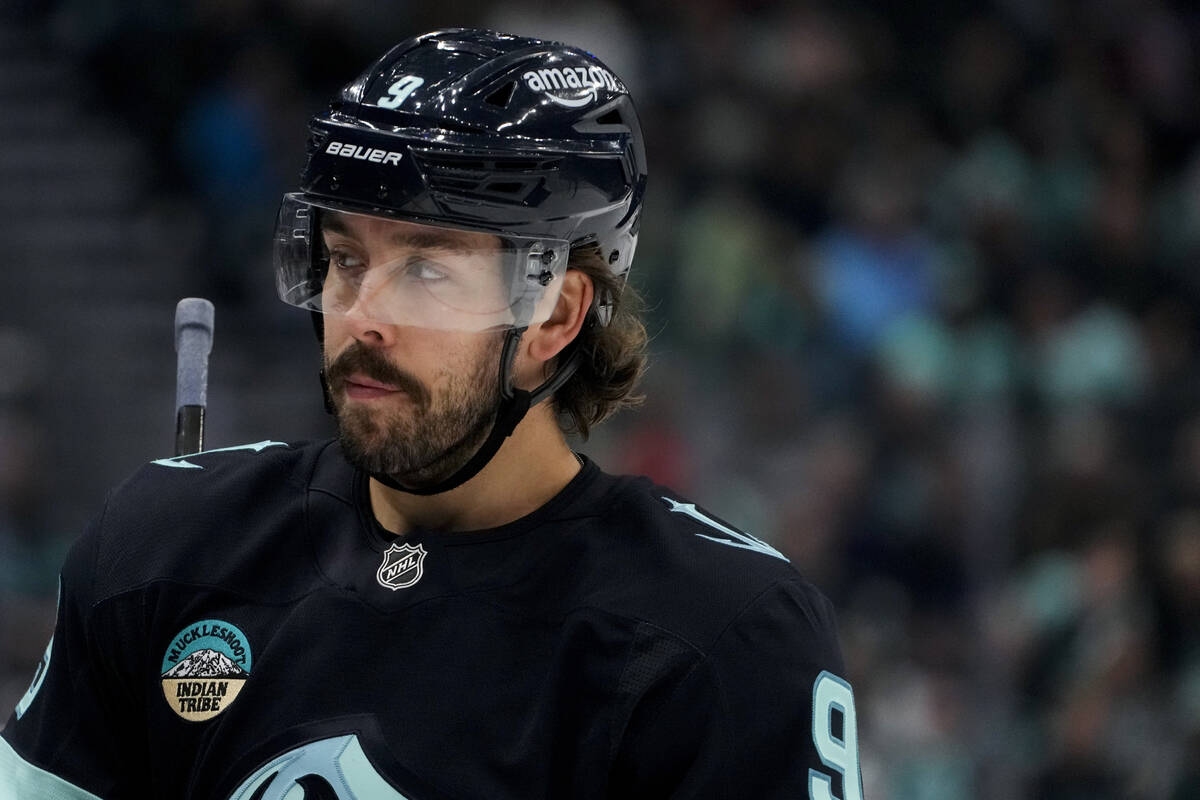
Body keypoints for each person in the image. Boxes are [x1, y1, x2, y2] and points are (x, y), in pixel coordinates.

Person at [1, 28, 862, 799]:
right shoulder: (166, 544)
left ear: (555, 318)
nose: (361, 315)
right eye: (343, 260)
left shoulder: (725, 635)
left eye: (426, 272)